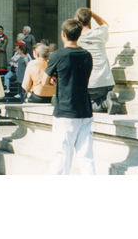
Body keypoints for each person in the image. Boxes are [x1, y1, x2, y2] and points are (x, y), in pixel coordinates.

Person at [42, 19, 94, 175]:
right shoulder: (87, 55)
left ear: (63, 34)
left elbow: (44, 81)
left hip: (65, 110)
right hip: (85, 109)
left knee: (62, 157)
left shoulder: (58, 54)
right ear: (79, 35)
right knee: (86, 157)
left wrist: (54, 79)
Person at [75, 8, 121, 115]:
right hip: (105, 83)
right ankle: (106, 101)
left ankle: (104, 104)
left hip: (85, 84)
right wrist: (92, 14)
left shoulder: (76, 37)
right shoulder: (100, 33)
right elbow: (104, 24)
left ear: (77, 19)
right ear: (90, 20)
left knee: (80, 105)